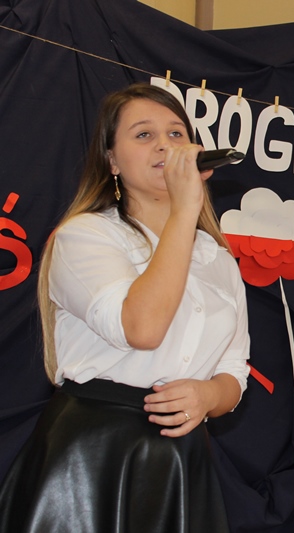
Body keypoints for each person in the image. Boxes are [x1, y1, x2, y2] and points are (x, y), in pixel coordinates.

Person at [0, 83, 250, 533]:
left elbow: (234, 370)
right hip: (93, 455)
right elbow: (143, 328)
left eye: (176, 134)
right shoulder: (86, 236)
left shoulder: (217, 259)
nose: (165, 145)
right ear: (112, 161)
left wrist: (208, 396)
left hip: (180, 456)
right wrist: (183, 213)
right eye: (144, 134)